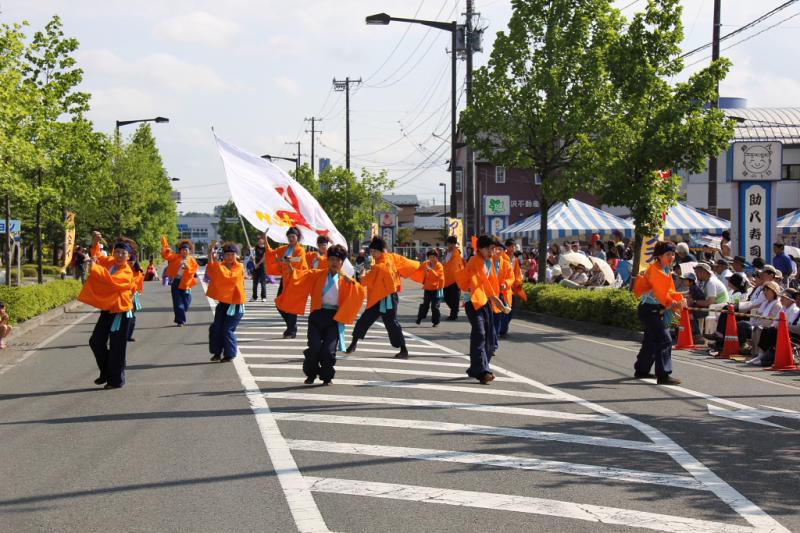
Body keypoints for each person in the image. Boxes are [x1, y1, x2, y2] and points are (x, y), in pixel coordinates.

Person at [280, 244, 365, 384]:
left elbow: (360, 293)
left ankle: (327, 376)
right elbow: (298, 277)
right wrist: (289, 265)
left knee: (328, 351)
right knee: (314, 348)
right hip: (317, 316)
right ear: (327, 260)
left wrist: (355, 283)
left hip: (334, 318)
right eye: (332, 259)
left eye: (338, 260)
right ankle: (311, 374)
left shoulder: (346, 280)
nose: (334, 263)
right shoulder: (317, 274)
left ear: (342, 262)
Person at [346, 235, 420, 358]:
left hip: (386, 298)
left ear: (381, 251)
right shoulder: (391, 258)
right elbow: (405, 262)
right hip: (384, 297)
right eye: (372, 251)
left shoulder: (380, 266)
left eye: (375, 251)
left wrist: (361, 275)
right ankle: (353, 344)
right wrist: (420, 267)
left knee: (389, 323)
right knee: (370, 321)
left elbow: (366, 281)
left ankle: (403, 349)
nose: (373, 253)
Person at [79, 234, 137, 389]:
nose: (119, 255)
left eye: (123, 253)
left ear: (128, 256)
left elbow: (111, 282)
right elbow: (97, 257)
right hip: (108, 309)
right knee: (96, 341)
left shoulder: (127, 272)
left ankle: (116, 380)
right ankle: (106, 372)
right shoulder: (110, 262)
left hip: (121, 312)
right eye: (117, 252)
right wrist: (95, 242)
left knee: (117, 347)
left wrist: (95, 267)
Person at [455, 235, 509, 385]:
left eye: (494, 248)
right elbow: (484, 283)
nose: (492, 251)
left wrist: (497, 301)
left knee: (490, 336)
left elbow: (490, 283)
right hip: (472, 301)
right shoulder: (475, 260)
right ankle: (483, 371)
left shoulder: (489, 261)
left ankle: (475, 368)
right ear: (480, 249)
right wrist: (497, 301)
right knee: (480, 333)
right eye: (489, 249)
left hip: (484, 300)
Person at [633, 241, 685, 385]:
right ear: (659, 256)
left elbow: (669, 292)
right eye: (668, 254)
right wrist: (672, 302)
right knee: (664, 339)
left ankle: (641, 370)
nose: (671, 257)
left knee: (651, 340)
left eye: (673, 254)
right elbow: (663, 294)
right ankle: (663, 375)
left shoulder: (665, 270)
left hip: (654, 309)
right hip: (650, 310)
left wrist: (677, 299)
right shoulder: (656, 271)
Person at [206, 241, 246, 363]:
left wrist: (215, 262)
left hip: (236, 304)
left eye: (232, 254)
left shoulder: (239, 266)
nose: (229, 257)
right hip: (223, 303)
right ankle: (217, 353)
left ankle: (229, 354)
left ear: (236, 255)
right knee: (216, 328)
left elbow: (229, 277)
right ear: (223, 255)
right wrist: (210, 252)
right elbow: (212, 269)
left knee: (227, 329)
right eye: (227, 254)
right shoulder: (221, 265)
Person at [266, 227, 308, 339]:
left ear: (297, 237)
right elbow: (271, 253)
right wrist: (265, 238)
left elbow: (298, 260)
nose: (291, 239)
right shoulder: (284, 248)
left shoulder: (301, 249)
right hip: (285, 280)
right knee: (279, 303)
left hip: (295, 280)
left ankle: (291, 330)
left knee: (291, 306)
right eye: (289, 237)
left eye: (293, 237)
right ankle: (291, 327)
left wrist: (285, 260)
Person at [161, 236, 199, 326]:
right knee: (177, 302)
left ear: (189, 251)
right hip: (176, 282)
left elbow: (194, 270)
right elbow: (167, 255)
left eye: (186, 250)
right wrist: (165, 247)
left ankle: (180, 315)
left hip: (186, 283)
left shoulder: (192, 260)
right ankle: (180, 321)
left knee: (186, 302)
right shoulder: (175, 257)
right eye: (182, 250)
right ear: (180, 251)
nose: (184, 251)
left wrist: (188, 268)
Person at [745, 281, 783, 366]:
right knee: (749, 326)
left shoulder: (777, 305)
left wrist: (758, 323)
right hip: (760, 324)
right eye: (764, 291)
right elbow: (758, 315)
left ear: (774, 292)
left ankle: (760, 355)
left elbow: (770, 320)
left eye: (767, 291)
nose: (765, 293)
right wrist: (756, 322)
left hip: (768, 326)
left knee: (760, 329)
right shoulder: (765, 303)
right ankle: (755, 354)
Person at [491, 240, 515, 338]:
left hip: (502, 293)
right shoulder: (488, 262)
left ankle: (497, 337)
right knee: (491, 319)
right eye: (496, 249)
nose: (497, 251)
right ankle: (493, 339)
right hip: (490, 294)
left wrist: (505, 283)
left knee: (502, 316)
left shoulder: (506, 263)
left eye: (500, 249)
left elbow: (511, 277)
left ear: (503, 251)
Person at [416, 249, 445, 327]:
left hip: (438, 289)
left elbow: (438, 276)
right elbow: (418, 267)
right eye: (430, 257)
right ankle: (420, 317)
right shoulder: (426, 263)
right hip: (428, 288)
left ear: (436, 257)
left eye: (433, 257)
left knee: (435, 306)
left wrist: (431, 270)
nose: (431, 259)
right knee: (425, 305)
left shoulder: (439, 265)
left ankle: (436, 321)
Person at [442, 236, 466, 321]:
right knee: (446, 297)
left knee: (455, 298)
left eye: (451, 243)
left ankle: (453, 314)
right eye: (448, 243)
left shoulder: (456, 253)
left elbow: (455, 266)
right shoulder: (447, 253)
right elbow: (445, 264)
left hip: (455, 279)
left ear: (454, 244)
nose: (449, 245)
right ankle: (455, 310)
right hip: (447, 278)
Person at [127, 256, 144, 342]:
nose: (130, 262)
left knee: (132, 317)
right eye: (128, 260)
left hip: (133, 297)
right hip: (123, 297)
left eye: (131, 261)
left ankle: (128, 335)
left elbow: (140, 284)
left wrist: (138, 292)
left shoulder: (138, 272)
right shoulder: (122, 270)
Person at [251, 235, 268, 302]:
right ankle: (254, 297)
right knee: (254, 283)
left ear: (263, 241)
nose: (259, 241)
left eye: (261, 240)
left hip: (262, 267)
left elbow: (264, 258)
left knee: (263, 283)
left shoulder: (265, 248)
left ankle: (263, 297)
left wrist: (258, 264)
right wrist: (253, 260)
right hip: (255, 267)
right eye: (258, 240)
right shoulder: (255, 248)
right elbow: (253, 255)